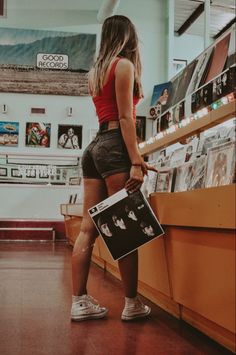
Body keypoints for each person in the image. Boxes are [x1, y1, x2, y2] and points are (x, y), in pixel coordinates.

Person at [71, 15, 156, 322]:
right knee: (126, 227)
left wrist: (134, 157)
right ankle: (132, 304)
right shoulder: (124, 66)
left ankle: (79, 301)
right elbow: (125, 118)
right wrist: (135, 160)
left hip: (95, 148)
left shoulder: (95, 72)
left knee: (86, 228)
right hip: (115, 144)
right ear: (127, 36)